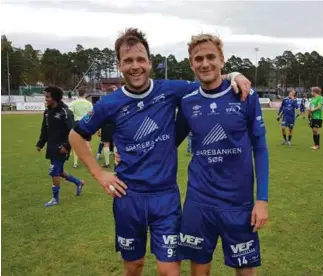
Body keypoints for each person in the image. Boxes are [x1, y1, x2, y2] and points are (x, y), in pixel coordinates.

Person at [69, 28, 251, 276]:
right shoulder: (109, 103)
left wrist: (234, 73)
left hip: (166, 198)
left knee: (170, 271)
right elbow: (75, 135)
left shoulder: (171, 89)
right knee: (134, 266)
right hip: (128, 198)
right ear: (119, 65)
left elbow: (208, 78)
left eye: (141, 59)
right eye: (128, 61)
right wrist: (100, 173)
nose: (136, 66)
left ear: (150, 62)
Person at [174, 34, 269, 276]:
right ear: (191, 64)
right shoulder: (187, 101)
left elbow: (260, 147)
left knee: (245, 271)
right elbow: (170, 142)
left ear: (222, 60)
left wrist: (262, 200)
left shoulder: (246, 95)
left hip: (239, 203)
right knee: (199, 271)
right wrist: (127, 156)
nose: (205, 63)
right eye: (198, 59)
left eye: (210, 57)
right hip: (199, 201)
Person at [36, 86, 85, 207]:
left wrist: (66, 146)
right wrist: (40, 143)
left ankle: (55, 199)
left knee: (54, 171)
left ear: (55, 98)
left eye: (47, 96)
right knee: (59, 171)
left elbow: (73, 131)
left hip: (61, 148)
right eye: (45, 96)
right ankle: (79, 183)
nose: (45, 99)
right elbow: (45, 129)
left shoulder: (65, 112)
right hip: (52, 147)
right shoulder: (47, 112)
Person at [70, 86, 93, 168]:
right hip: (86, 123)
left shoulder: (73, 103)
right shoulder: (89, 103)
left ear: (78, 93)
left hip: (77, 123)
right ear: (85, 94)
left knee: (76, 143)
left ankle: (75, 162)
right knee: (87, 142)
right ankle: (89, 162)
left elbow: (70, 114)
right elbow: (91, 115)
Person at [96, 85, 117, 162]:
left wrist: (98, 128)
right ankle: (115, 162)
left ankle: (107, 163)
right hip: (115, 124)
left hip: (105, 125)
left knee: (106, 144)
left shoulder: (103, 102)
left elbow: (100, 116)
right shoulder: (117, 102)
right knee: (115, 143)